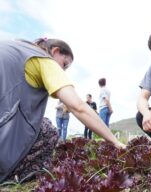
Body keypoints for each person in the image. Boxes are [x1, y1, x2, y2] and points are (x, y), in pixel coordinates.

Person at [0, 38, 125, 183]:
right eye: (64, 65)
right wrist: (115, 142)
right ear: (55, 51)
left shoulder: (16, 45)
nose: (63, 71)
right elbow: (78, 107)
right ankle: (14, 174)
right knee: (49, 132)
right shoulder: (44, 60)